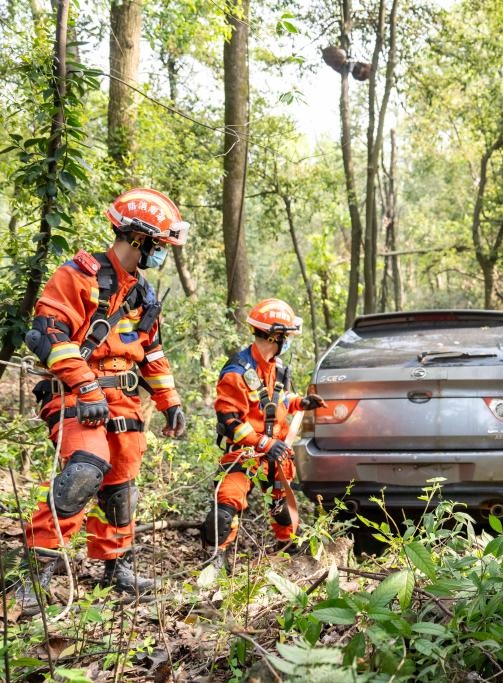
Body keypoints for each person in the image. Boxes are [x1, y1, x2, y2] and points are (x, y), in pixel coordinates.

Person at [14, 188, 190, 616]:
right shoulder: (79, 274)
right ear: (137, 238)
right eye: (159, 245)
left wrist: (170, 402)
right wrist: (85, 386)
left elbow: (152, 352)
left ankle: (117, 565)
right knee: (84, 473)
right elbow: (47, 334)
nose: (161, 254)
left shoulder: (143, 295)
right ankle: (33, 572)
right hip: (76, 394)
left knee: (121, 485)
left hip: (124, 400)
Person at [201, 298, 324, 566]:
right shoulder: (236, 372)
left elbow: (277, 400)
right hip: (245, 452)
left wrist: (300, 403)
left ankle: (289, 552)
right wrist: (263, 443)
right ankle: (216, 559)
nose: (288, 341)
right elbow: (230, 421)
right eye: (286, 336)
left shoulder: (277, 368)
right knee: (225, 507)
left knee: (283, 507)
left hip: (274, 453)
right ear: (274, 335)